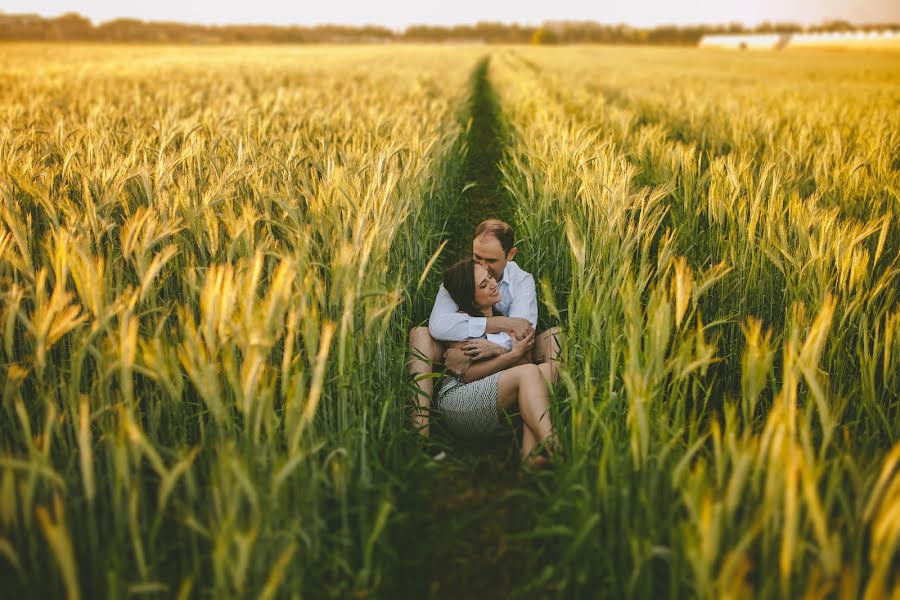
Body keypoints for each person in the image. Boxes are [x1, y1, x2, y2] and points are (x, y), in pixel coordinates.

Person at [408, 219, 561, 437]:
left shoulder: (522, 282)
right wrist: (500, 323)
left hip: (502, 356)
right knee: (420, 334)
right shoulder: (462, 278)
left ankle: (533, 438)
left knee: (555, 338)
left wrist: (496, 348)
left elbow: (523, 336)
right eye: (476, 257)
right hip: (459, 354)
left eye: (490, 260)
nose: (482, 266)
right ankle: (420, 429)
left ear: (510, 254)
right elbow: (439, 326)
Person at [429, 258, 556, 467]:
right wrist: (510, 355)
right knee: (531, 373)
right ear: (471, 301)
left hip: (491, 397)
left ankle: (531, 454)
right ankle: (554, 445)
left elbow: (525, 359)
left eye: (489, 277)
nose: (493, 284)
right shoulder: (462, 323)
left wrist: (502, 351)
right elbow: (468, 375)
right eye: (483, 285)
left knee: (545, 369)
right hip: (458, 402)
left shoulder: (504, 319)